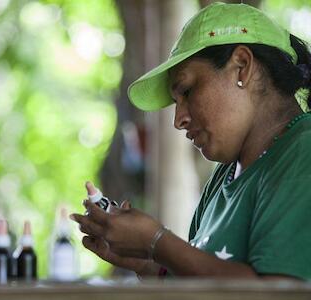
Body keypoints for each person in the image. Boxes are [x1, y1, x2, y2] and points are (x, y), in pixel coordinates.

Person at [70, 2, 311, 280]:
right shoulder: (223, 179)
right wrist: (147, 263)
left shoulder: (301, 152)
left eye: (187, 91)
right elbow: (206, 284)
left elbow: (280, 293)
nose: (178, 119)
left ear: (242, 66)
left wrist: (158, 242)